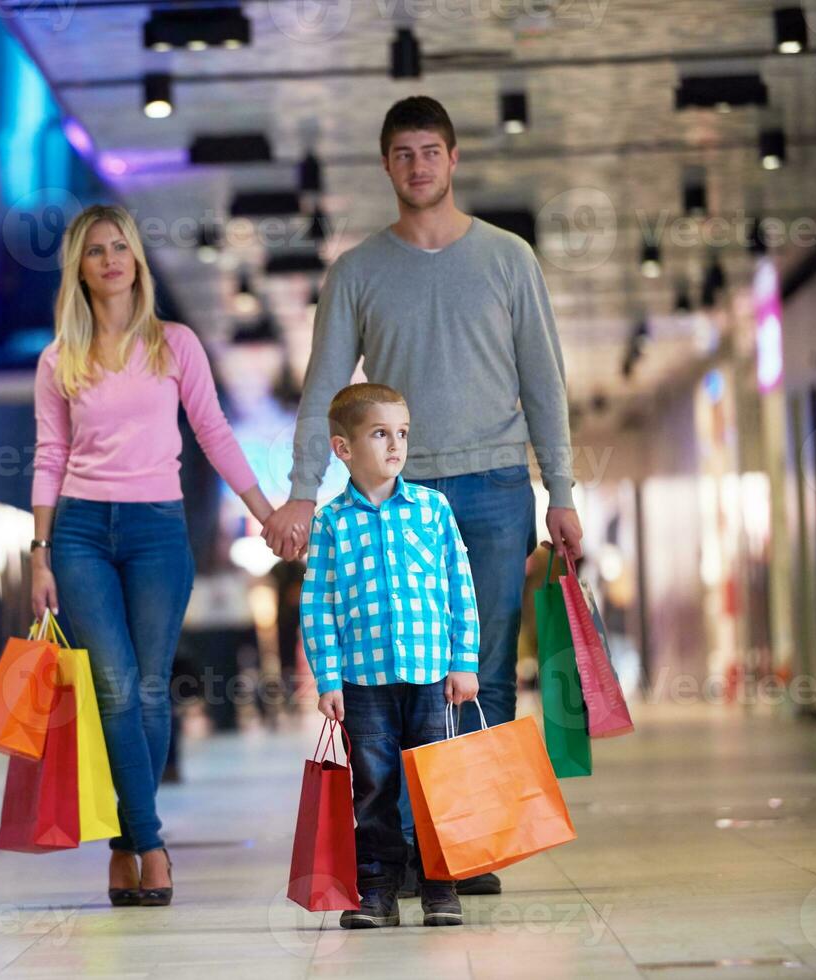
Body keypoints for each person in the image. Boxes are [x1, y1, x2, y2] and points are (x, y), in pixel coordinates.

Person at [264, 95, 584, 895]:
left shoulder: (508, 258)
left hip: (493, 486)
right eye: (402, 152)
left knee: (481, 672)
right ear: (386, 164)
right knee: (396, 679)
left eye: (430, 150)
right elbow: (321, 388)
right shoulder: (358, 271)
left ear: (452, 158)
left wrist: (562, 490)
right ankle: (407, 850)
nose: (418, 165)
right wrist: (303, 490)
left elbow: (544, 384)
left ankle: (467, 845)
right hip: (391, 498)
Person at [28, 204, 274, 907]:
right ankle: (149, 845)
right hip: (78, 534)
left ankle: (123, 843)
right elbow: (50, 455)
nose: (110, 260)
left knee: (144, 688)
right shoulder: (58, 359)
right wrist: (40, 552)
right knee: (112, 684)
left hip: (157, 533)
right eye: (95, 250)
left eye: (120, 248)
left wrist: (264, 515)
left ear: (136, 259)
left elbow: (215, 434)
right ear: (77, 266)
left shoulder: (173, 345)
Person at [301, 382, 478, 928]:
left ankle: (440, 886)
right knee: (373, 787)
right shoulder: (331, 523)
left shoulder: (432, 509)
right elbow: (318, 606)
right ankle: (376, 889)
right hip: (363, 682)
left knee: (433, 782)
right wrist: (329, 678)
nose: (395, 445)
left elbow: (458, 584)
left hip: (430, 676)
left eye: (401, 433)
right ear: (343, 448)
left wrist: (464, 659)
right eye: (380, 433)